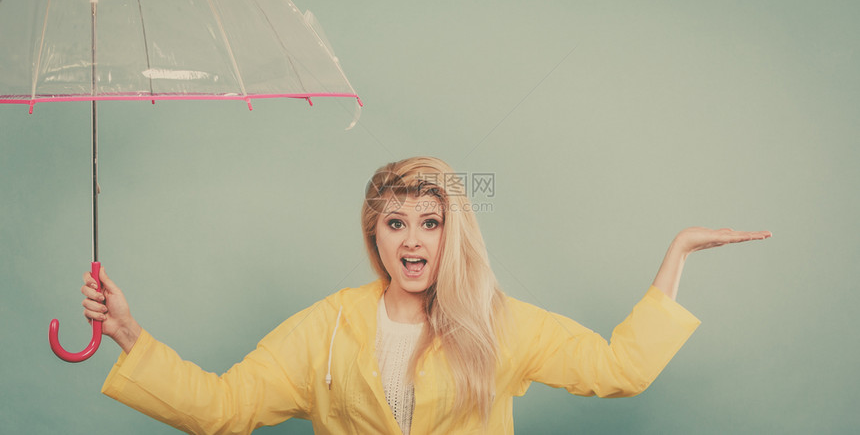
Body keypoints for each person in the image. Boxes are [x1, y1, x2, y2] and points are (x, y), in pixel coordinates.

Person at [81, 156, 771, 434]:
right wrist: (130, 336)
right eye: (396, 223)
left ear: (454, 233)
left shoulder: (500, 326)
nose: (414, 241)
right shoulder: (326, 327)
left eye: (431, 223)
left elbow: (623, 370)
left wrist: (677, 254)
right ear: (374, 235)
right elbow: (221, 408)